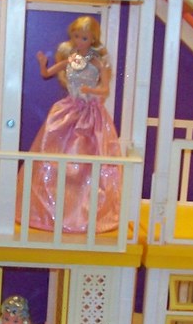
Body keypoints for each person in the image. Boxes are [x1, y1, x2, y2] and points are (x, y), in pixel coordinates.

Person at [18, 15, 122, 233]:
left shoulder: (97, 62)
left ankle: (84, 213)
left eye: (84, 38)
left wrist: (91, 90)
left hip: (91, 114)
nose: (79, 41)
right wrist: (43, 63)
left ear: (92, 39)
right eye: (76, 36)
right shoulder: (71, 60)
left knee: (89, 159)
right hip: (69, 110)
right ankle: (54, 211)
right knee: (55, 152)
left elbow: (105, 89)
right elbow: (47, 73)